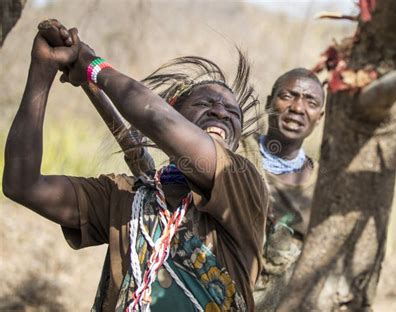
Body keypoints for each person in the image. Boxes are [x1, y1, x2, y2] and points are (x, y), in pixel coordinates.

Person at [2, 20, 268, 312]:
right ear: (176, 111)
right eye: (206, 103)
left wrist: (92, 65)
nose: (221, 112)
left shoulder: (242, 182)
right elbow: (22, 185)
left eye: (233, 112)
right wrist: (41, 72)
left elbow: (158, 119)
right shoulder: (128, 198)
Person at [238, 68, 325, 311]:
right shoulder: (236, 154)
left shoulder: (323, 185)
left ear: (320, 116)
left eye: (311, 102)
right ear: (269, 102)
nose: (297, 108)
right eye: (288, 96)